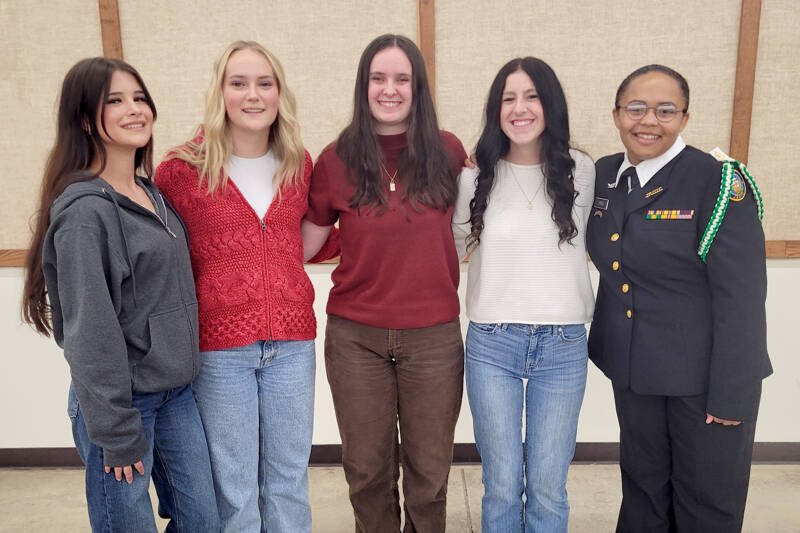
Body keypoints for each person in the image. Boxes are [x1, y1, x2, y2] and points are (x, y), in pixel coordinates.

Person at [21, 57, 218, 532]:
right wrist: (115, 430)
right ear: (87, 119)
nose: (134, 109)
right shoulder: (86, 213)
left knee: (204, 522)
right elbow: (90, 331)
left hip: (175, 394)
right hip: (121, 405)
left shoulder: (151, 194)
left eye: (139, 97)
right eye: (115, 101)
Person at [154, 41, 337, 532]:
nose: (252, 95)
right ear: (221, 92)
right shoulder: (182, 169)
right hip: (220, 350)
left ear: (279, 93)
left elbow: (306, 242)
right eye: (238, 83)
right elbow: (161, 254)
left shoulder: (299, 163)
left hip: (293, 343)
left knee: (288, 480)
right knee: (232, 486)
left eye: (264, 83)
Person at [587, 64, 772, 532]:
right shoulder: (604, 175)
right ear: (615, 114)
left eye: (665, 110)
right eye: (636, 108)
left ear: (685, 118)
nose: (648, 120)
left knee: (704, 506)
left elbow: (743, 299)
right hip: (634, 374)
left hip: (703, 384)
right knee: (644, 498)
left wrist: (732, 396)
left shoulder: (717, 182)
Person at [302, 34, 467, 532]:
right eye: (378, 78)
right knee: (368, 470)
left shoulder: (449, 151)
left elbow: (475, 223)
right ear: (363, 85)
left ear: (418, 87)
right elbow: (305, 244)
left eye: (402, 79)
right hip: (355, 336)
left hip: (434, 336)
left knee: (429, 472)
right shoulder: (335, 159)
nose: (389, 89)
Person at [452, 57, 595, 533]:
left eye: (531, 96)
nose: (520, 108)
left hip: (564, 344)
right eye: (508, 98)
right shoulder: (474, 179)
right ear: (496, 110)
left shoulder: (583, 171)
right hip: (492, 343)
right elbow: (449, 248)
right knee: (501, 483)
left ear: (550, 104)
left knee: (550, 486)